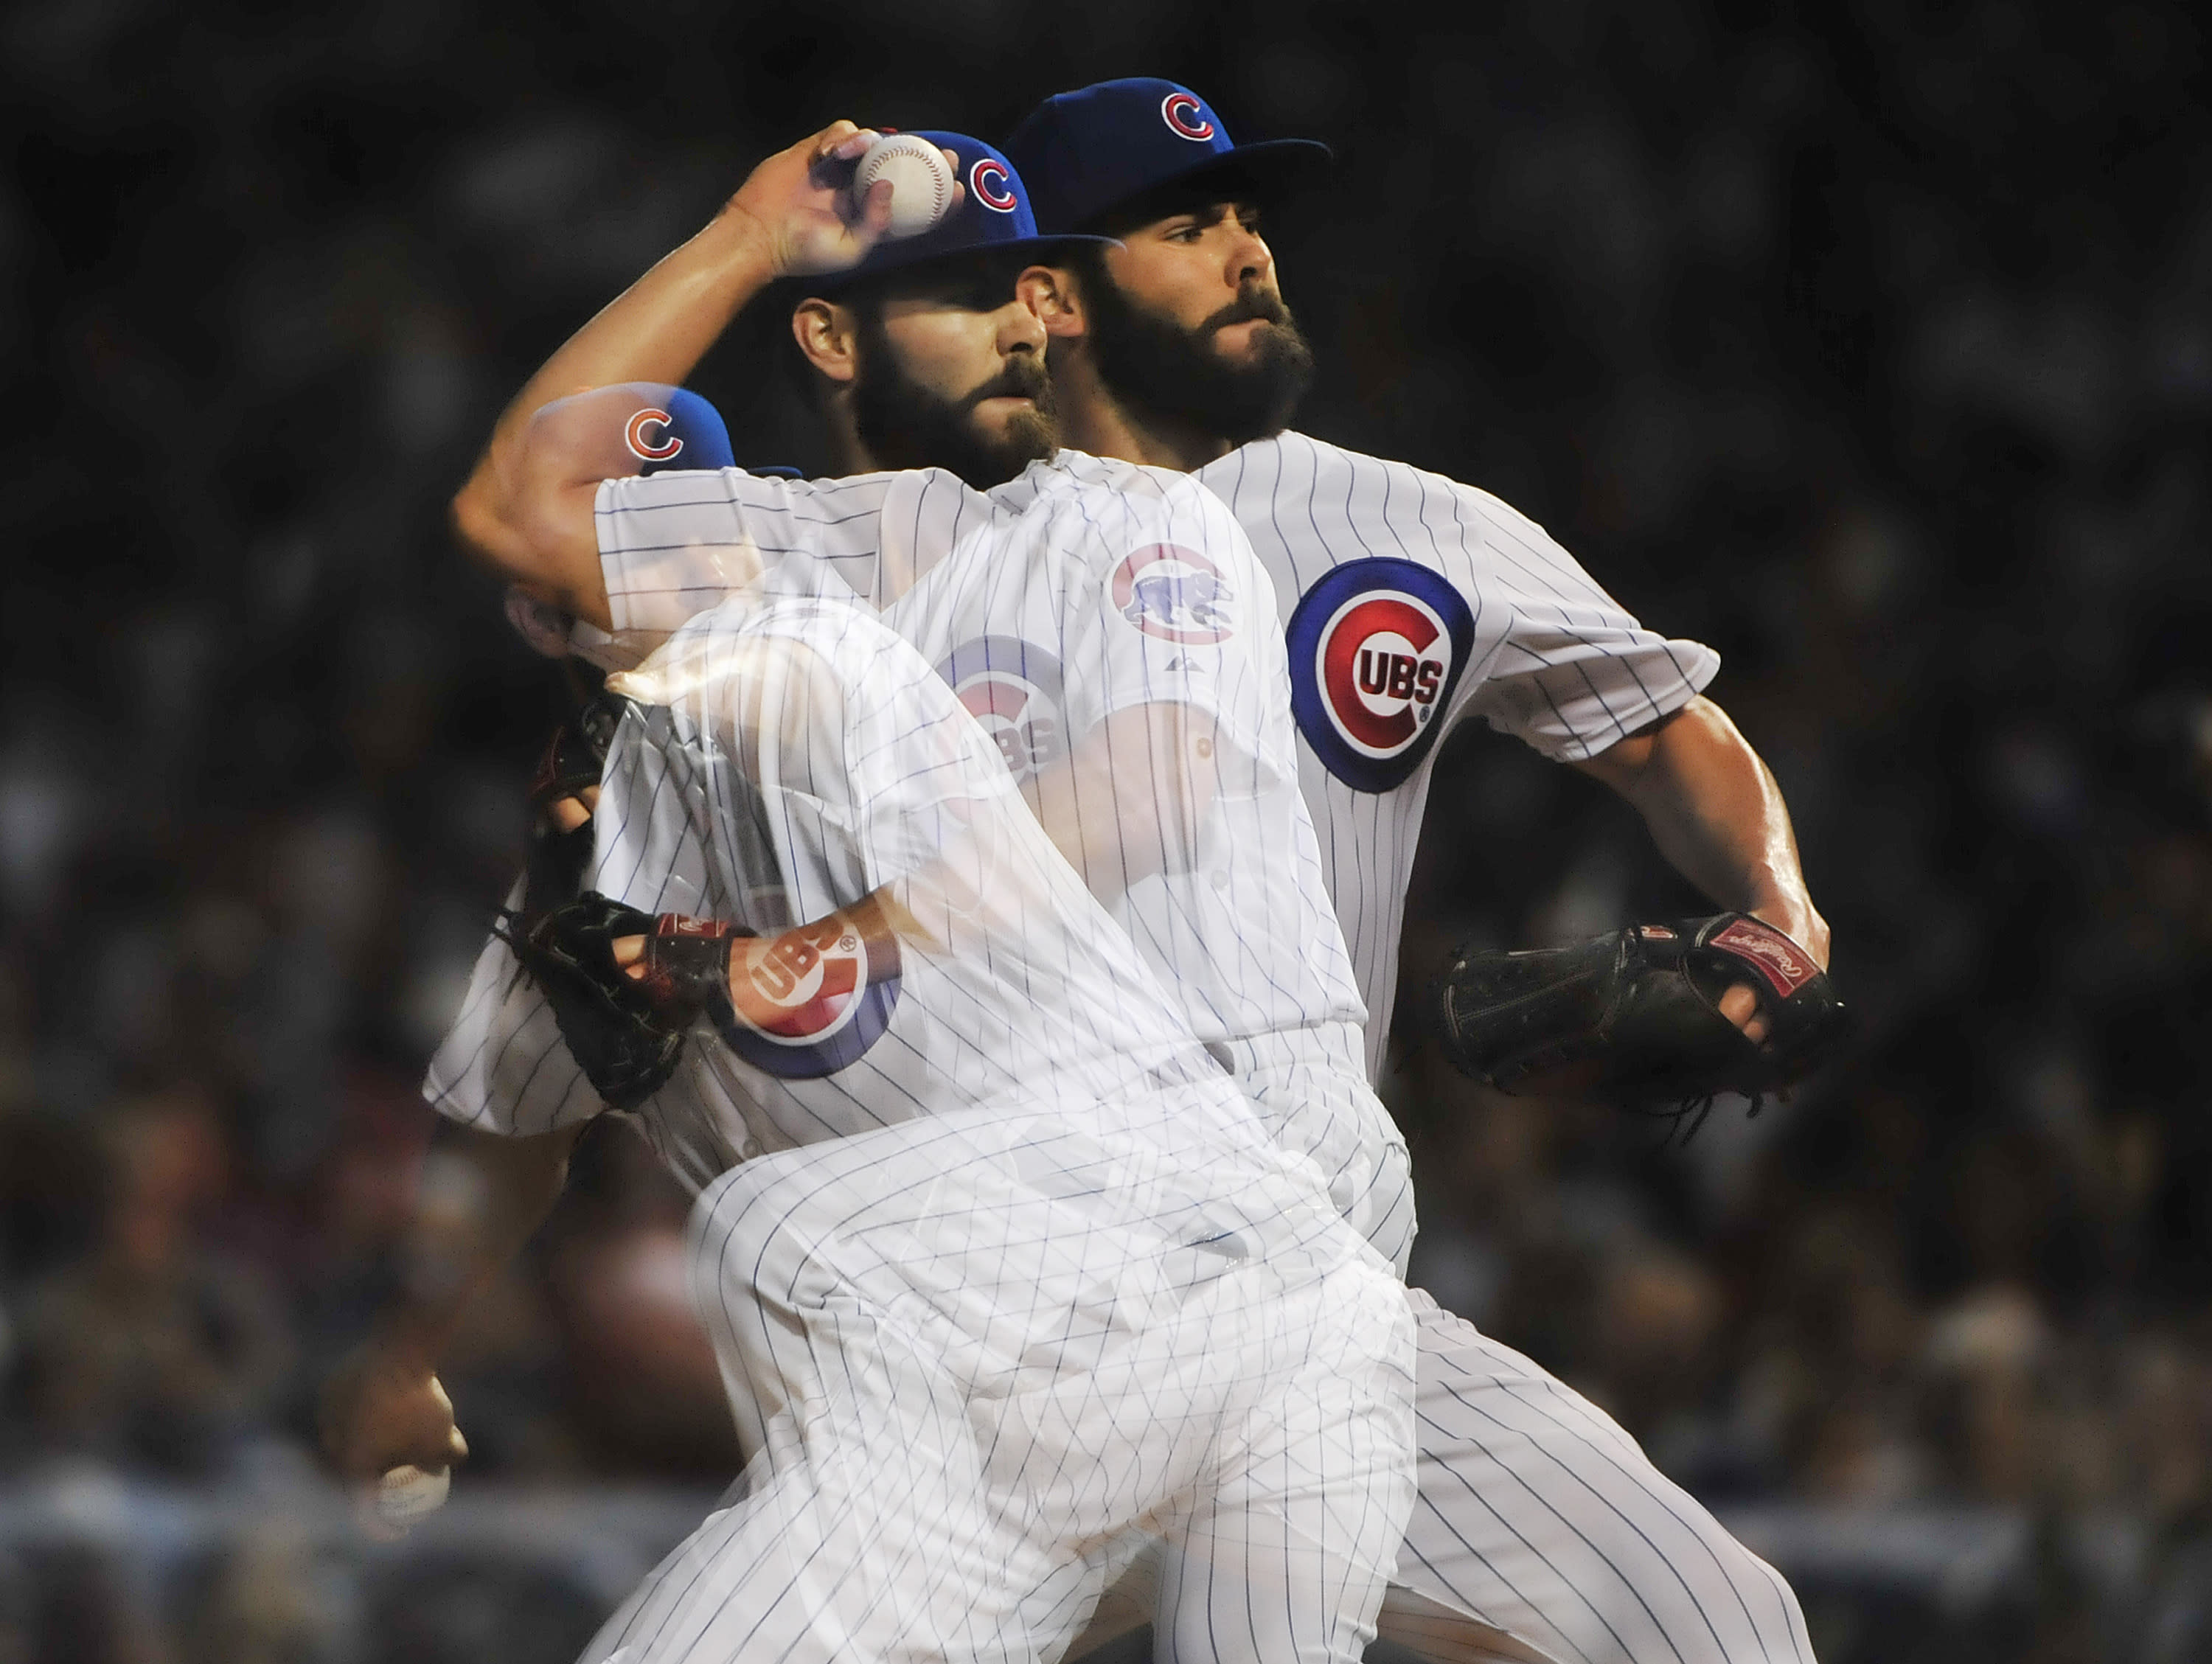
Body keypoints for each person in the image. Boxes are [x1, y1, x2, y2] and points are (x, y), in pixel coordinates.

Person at [330, 126, 1418, 1664]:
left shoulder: (822, 667)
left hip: (1205, 1317)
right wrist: (411, 1354)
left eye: (710, 525)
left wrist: (740, 232)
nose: (693, 559)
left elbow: (524, 504)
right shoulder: (608, 834)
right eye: (664, 533)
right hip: (972, 1417)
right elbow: (521, 1119)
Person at [1001, 77, 1826, 1664]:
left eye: (1248, 215)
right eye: (1186, 225)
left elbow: (1666, 731)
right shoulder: (932, 540)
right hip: (1030, 1318)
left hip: (1313, 1307)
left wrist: (1784, 913)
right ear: (1054, 292)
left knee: (1721, 1629)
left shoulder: (1396, 522)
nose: (1245, 249)